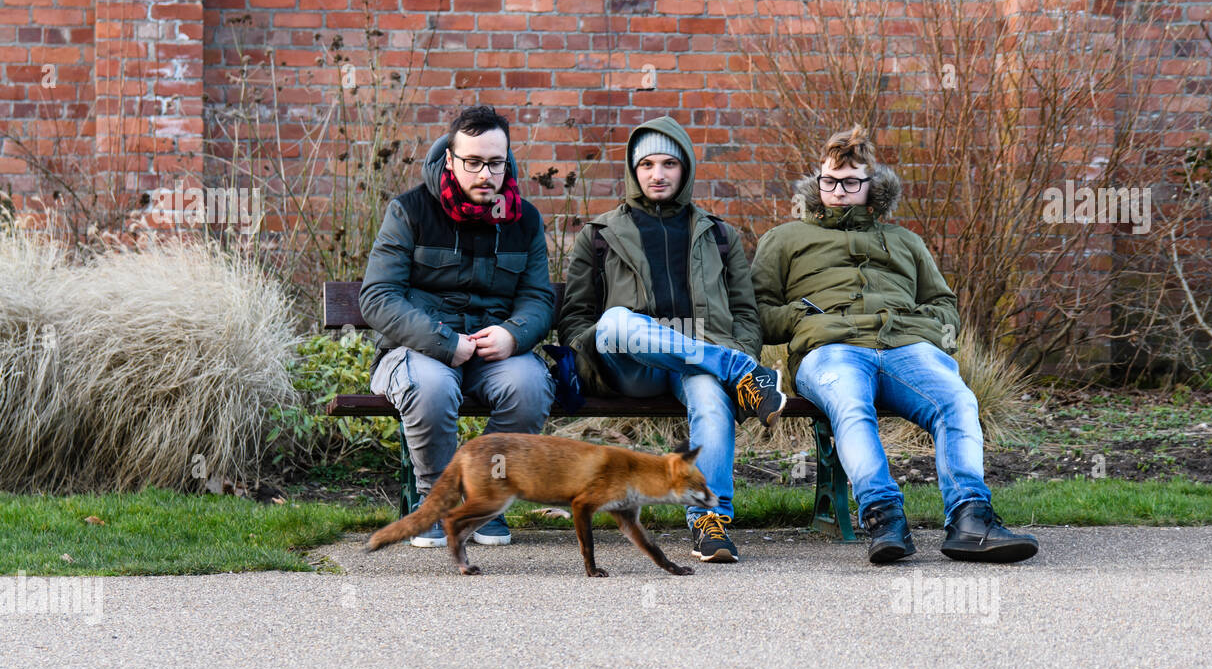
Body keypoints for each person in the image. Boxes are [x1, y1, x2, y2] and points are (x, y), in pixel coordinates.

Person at [751, 125, 1038, 563]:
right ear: (817, 183)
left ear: (872, 186)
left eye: (850, 182)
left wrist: (927, 331)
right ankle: (884, 516)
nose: (839, 191)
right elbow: (757, 313)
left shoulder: (906, 242)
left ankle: (971, 519)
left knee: (957, 400)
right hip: (830, 350)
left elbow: (943, 303)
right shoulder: (785, 239)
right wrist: (805, 317)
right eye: (829, 182)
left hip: (907, 347)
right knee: (850, 403)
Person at [557, 116, 785, 563]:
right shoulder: (599, 234)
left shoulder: (719, 235)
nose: (657, 174)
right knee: (618, 320)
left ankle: (709, 522)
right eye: (646, 165)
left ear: (685, 169)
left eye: (668, 164)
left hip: (696, 359)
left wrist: (740, 347)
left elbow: (745, 312)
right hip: (629, 364)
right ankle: (741, 373)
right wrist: (595, 345)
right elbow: (576, 318)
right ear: (632, 170)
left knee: (709, 397)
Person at [360, 105, 555, 547]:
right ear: (450, 159)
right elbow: (377, 298)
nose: (485, 173)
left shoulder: (523, 220)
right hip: (419, 349)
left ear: (508, 160)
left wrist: (514, 334)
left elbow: (539, 298)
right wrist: (445, 342)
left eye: (495, 162)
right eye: (473, 162)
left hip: (492, 352)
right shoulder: (409, 211)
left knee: (530, 386)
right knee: (431, 389)